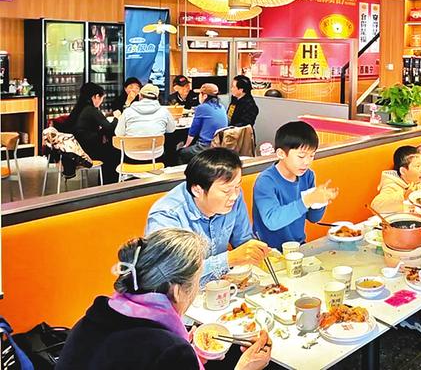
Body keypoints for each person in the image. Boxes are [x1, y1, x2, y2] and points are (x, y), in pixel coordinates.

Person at [57, 228, 272, 370]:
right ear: (177, 290)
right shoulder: (170, 352)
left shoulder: (90, 321)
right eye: (197, 281)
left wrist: (189, 352)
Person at [146, 148, 271, 285]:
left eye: (237, 186)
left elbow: (243, 240)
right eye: (226, 191)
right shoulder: (168, 214)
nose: (234, 196)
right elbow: (166, 273)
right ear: (197, 190)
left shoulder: (234, 197)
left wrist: (254, 250)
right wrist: (228, 259)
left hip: (221, 288)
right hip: (178, 294)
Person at [252, 121, 338, 249]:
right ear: (281, 154)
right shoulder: (266, 181)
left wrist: (320, 201)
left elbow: (313, 218)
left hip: (298, 246)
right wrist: (307, 200)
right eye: (301, 156)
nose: (307, 162)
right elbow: (272, 221)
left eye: (312, 156)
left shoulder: (308, 176)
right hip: (268, 251)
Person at [68, 82, 119, 184]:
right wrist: (116, 118)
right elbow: (110, 129)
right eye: (101, 98)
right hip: (88, 153)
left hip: (78, 150)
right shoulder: (91, 110)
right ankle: (109, 183)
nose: (101, 102)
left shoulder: (79, 109)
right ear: (95, 97)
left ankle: (106, 182)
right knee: (115, 152)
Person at [115, 83, 176, 163]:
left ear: (140, 96)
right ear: (157, 98)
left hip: (132, 157)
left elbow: (118, 133)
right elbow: (171, 129)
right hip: (156, 157)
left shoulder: (127, 111)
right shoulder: (164, 111)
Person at [178, 83, 228, 165]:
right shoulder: (221, 107)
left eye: (200, 94)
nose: (199, 96)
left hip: (206, 146)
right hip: (220, 145)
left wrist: (186, 145)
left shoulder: (202, 107)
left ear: (204, 96)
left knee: (181, 152)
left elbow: (193, 131)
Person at [371, 146, 421, 214]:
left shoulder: (417, 182)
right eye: (417, 166)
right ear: (403, 171)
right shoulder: (392, 185)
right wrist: (404, 195)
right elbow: (375, 206)